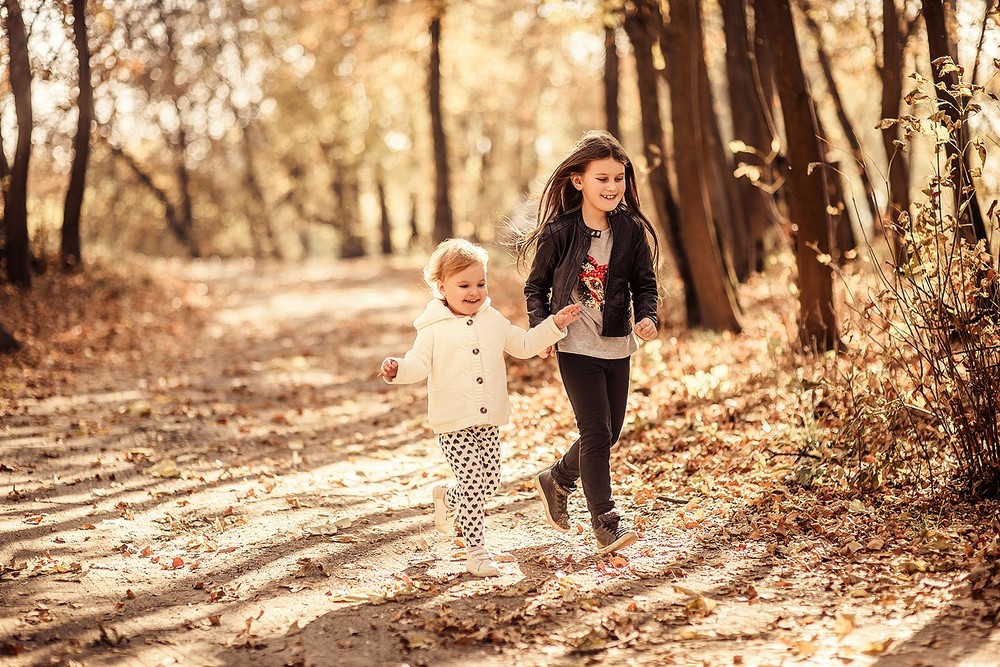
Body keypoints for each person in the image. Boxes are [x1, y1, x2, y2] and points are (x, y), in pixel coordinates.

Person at [379, 238, 582, 577]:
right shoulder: (432, 329)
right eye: (464, 285)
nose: (474, 292)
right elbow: (418, 363)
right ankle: (476, 551)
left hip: (487, 419)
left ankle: (449, 496)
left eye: (480, 283)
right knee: (474, 481)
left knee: (487, 483)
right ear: (441, 286)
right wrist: (398, 369)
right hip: (453, 421)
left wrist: (554, 326)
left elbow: (523, 344)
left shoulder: (492, 320)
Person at [518, 130, 660, 555]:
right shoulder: (562, 231)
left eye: (618, 178)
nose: (612, 186)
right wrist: (542, 329)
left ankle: (559, 477)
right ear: (579, 181)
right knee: (596, 430)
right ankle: (606, 521)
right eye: (602, 178)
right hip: (575, 345)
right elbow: (535, 288)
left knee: (610, 432)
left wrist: (649, 316)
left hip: (618, 343)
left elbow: (644, 282)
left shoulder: (631, 231)